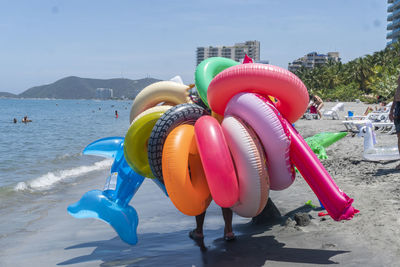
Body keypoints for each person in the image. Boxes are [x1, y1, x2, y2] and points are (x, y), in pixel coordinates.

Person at [389, 75, 400, 170]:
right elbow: (394, 100)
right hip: (397, 112)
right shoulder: (397, 89)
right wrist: (391, 111)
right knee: (399, 137)